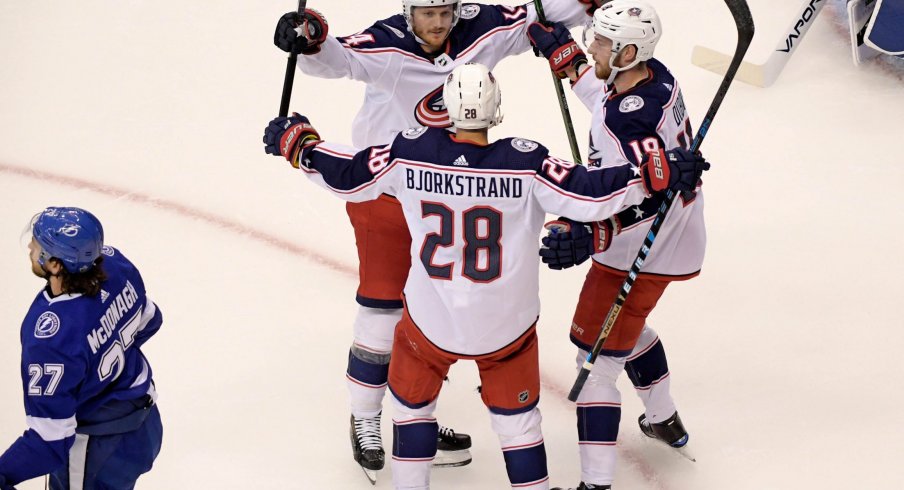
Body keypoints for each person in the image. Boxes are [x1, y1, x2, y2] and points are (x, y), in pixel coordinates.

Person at [263, 62, 708, 490]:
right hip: (505, 330)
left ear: (444, 108)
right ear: (496, 110)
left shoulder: (408, 152)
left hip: (430, 323)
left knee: (410, 412)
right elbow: (593, 194)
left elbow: (347, 174)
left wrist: (298, 144)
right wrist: (656, 174)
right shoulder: (527, 163)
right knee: (519, 428)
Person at [272, 0, 604, 476]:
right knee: (383, 308)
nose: (439, 23)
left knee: (438, 314)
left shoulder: (481, 26)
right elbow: (337, 59)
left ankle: (419, 412)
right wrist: (309, 37)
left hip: (454, 195)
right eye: (428, 13)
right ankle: (365, 417)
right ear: (408, 12)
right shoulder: (387, 42)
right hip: (386, 191)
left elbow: (536, 12)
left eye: (446, 11)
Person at [528, 1, 705, 488]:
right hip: (678, 238)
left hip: (642, 245)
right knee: (627, 328)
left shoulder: (634, 121)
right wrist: (572, 64)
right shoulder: (654, 77)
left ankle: (596, 484)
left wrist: (592, 233)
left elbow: (654, 194)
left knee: (595, 360)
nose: (591, 44)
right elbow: (611, 104)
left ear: (628, 51)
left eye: (600, 43)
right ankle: (664, 417)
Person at [0, 207, 163, 490]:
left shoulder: (51, 337)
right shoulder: (117, 266)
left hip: (97, 449)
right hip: (145, 426)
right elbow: (150, 318)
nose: (30, 246)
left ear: (55, 265)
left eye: (38, 243)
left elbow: (49, 441)